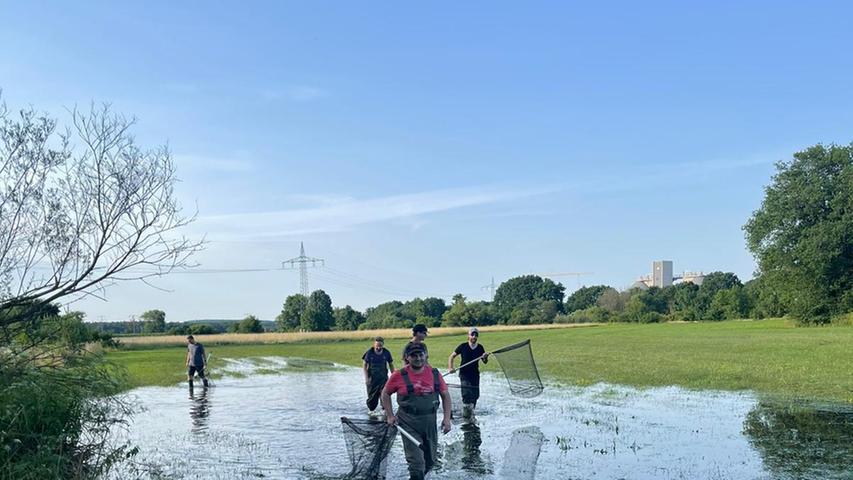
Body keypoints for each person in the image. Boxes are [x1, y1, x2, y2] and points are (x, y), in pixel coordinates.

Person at [381, 343, 452, 480]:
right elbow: (385, 394)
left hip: (430, 422)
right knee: (417, 464)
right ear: (407, 357)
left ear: (426, 356)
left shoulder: (435, 374)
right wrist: (389, 415)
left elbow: (445, 396)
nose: (418, 358)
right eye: (414, 355)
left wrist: (447, 419)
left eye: (421, 355)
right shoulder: (399, 375)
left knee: (430, 462)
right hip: (408, 423)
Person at [448, 327, 489, 418]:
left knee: (475, 394)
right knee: (466, 393)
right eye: (472, 335)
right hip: (464, 374)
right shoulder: (463, 346)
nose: (474, 337)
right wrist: (451, 367)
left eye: (476, 335)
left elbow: (485, 361)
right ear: (468, 335)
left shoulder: (480, 347)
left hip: (475, 374)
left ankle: (471, 411)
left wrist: (485, 357)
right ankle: (466, 413)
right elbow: (451, 356)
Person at [362, 336, 395, 415]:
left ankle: (384, 411)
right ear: (374, 345)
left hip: (383, 378)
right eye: (377, 346)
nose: (378, 348)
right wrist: (366, 379)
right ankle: (371, 411)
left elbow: (390, 364)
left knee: (384, 394)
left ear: (383, 345)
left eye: (380, 346)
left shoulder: (386, 352)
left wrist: (393, 376)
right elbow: (364, 365)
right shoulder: (369, 353)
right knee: (372, 398)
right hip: (372, 379)